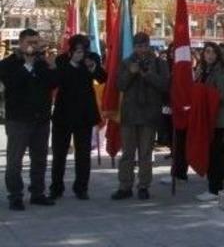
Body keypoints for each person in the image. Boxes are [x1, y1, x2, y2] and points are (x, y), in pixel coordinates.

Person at [0, 29, 58, 211]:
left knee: (39, 158)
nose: (34, 46)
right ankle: (15, 195)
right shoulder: (8, 64)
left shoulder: (42, 62)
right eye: (30, 42)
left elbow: (53, 83)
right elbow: (12, 84)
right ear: (21, 43)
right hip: (18, 119)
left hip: (41, 118)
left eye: (36, 42)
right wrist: (27, 65)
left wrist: (52, 66)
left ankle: (37, 193)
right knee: (15, 160)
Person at [112, 33, 169, 201]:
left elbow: (165, 85)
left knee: (145, 153)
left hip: (149, 114)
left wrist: (147, 74)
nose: (141, 50)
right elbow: (120, 85)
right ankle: (125, 186)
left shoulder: (159, 63)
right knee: (128, 153)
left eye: (144, 46)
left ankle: (144, 185)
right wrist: (131, 72)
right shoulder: (126, 62)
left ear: (149, 45)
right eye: (138, 46)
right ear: (134, 47)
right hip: (130, 114)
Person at [50, 35, 106, 201]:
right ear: (71, 49)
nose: (80, 53)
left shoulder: (92, 59)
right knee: (59, 153)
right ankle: (56, 187)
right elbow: (55, 82)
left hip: (84, 114)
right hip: (63, 114)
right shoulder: (62, 60)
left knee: (83, 154)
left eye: (83, 49)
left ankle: (81, 188)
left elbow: (103, 78)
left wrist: (92, 67)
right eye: (77, 50)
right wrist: (72, 63)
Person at [195, 42, 224, 201]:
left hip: (217, 119)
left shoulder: (221, 71)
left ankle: (216, 189)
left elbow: (223, 96)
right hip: (205, 117)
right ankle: (211, 186)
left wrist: (205, 93)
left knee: (215, 155)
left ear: (217, 55)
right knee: (209, 153)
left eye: (212, 52)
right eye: (206, 52)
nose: (209, 55)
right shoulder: (203, 70)